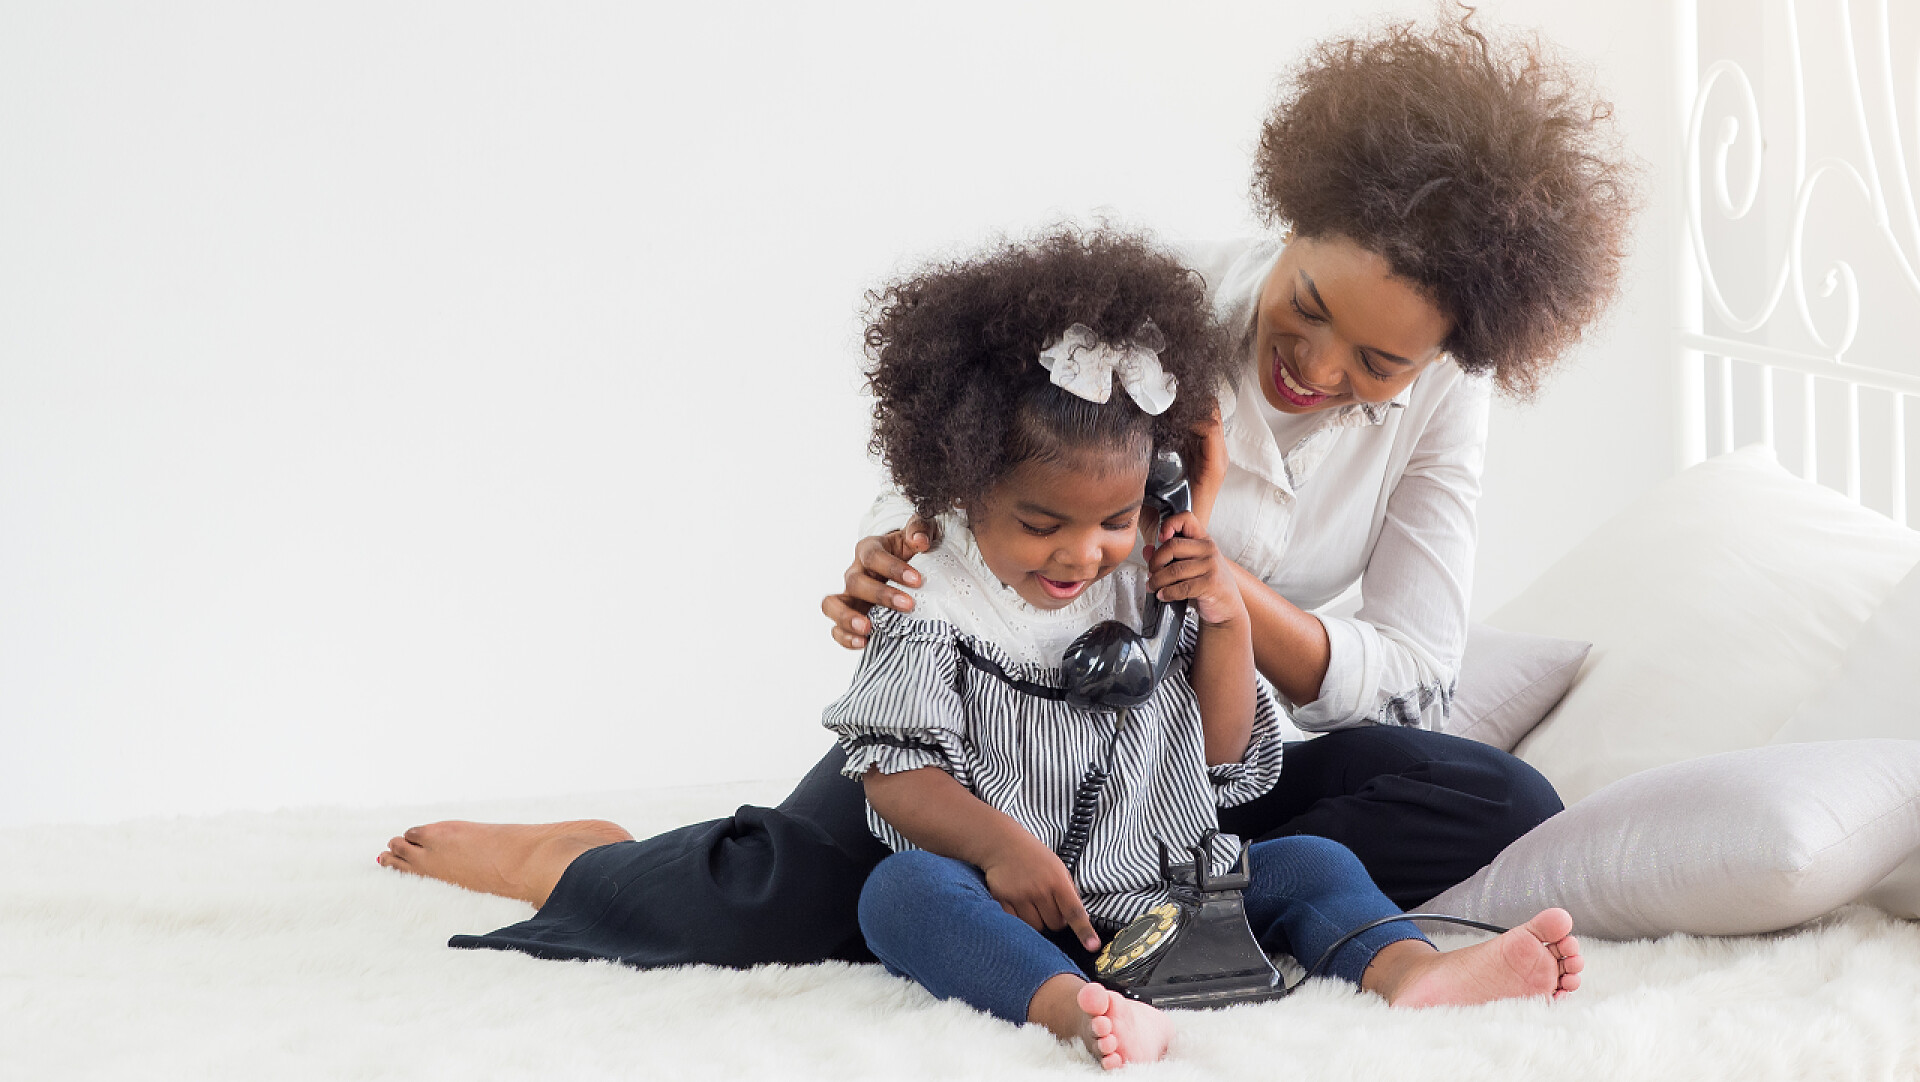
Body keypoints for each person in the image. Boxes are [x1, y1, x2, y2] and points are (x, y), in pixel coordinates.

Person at [378, 15, 1632, 971]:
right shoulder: (1146, 319)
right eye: (1309, 308)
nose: (1318, 367)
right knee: (779, 903)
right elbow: (972, 471)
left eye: (1379, 363)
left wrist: (1212, 577)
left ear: (1450, 351)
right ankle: (577, 856)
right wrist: (889, 551)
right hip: (1009, 720)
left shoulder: (1446, 404)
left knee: (1496, 798)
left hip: (1189, 755)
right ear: (1296, 218)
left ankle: (1139, 886)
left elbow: (1412, 681)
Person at [824, 229, 1580, 1069]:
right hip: (1013, 890)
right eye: (1042, 526)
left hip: (1170, 879)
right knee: (898, 892)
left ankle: (1409, 970)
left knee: (1314, 862)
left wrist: (1225, 618)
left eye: (1115, 521)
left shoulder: (1151, 579)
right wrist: (1000, 849)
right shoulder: (935, 600)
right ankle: (1072, 1005)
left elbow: (1224, 756)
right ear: (964, 492)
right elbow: (895, 771)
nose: (1081, 554)